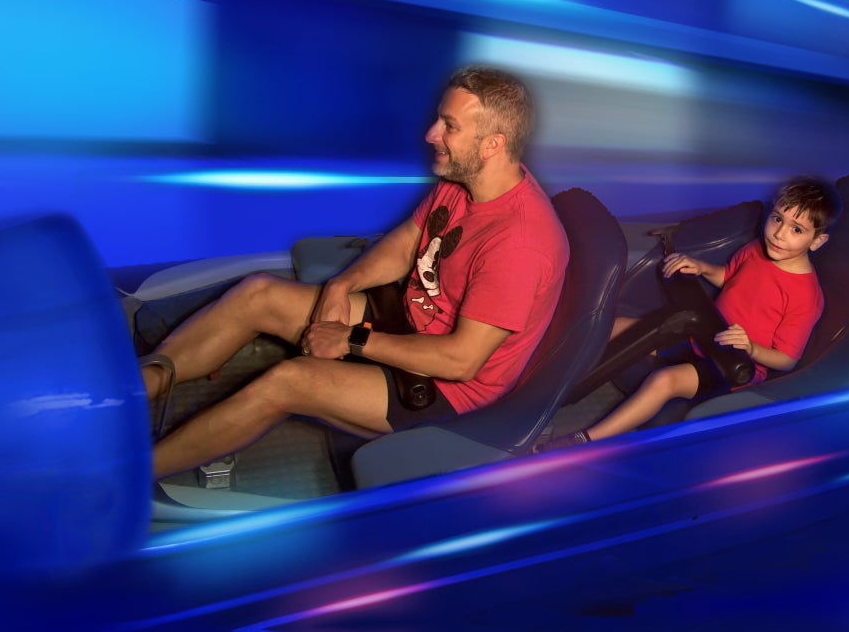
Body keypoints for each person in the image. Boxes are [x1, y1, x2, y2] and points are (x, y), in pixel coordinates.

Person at [142, 66, 569, 480]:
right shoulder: (463, 180)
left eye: (449, 125)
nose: (431, 134)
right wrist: (340, 285)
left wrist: (350, 339)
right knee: (258, 295)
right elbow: (408, 241)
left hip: (446, 387)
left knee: (288, 381)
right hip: (409, 321)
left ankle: (135, 474)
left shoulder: (520, 243)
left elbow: (460, 361)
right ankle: (138, 388)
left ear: (492, 144)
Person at [538, 176, 840, 450]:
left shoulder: (806, 295)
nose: (779, 234)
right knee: (616, 325)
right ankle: (541, 380)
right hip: (702, 333)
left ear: (817, 241)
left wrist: (750, 347)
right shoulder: (755, 250)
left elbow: (787, 360)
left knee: (664, 381)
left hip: (732, 366)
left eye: (796, 229)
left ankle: (584, 441)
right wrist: (701, 267)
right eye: (777, 219)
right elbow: (730, 278)